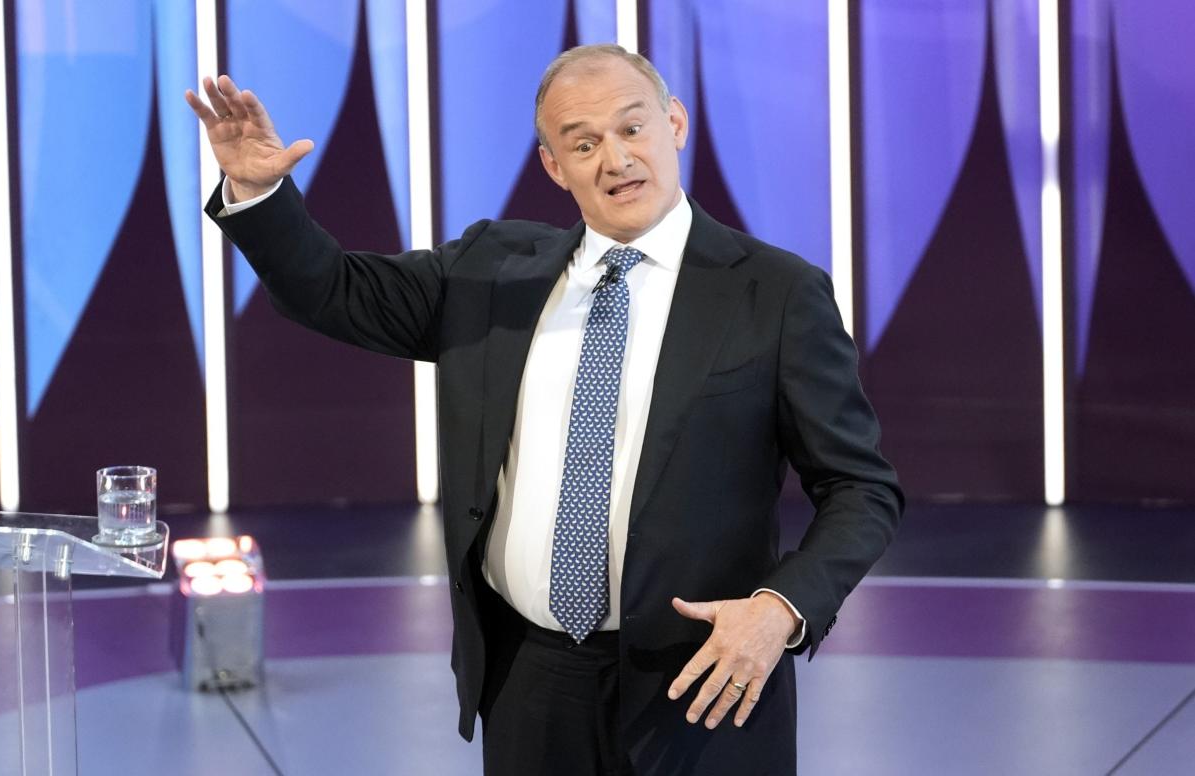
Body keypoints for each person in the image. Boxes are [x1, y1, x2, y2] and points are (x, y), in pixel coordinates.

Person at [185, 44, 902, 776]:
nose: (614, 158)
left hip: (704, 679)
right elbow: (335, 290)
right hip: (528, 678)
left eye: (632, 128)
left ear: (674, 124)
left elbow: (860, 487)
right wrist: (259, 196)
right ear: (554, 166)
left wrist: (781, 608)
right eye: (583, 143)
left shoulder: (776, 294)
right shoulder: (492, 272)